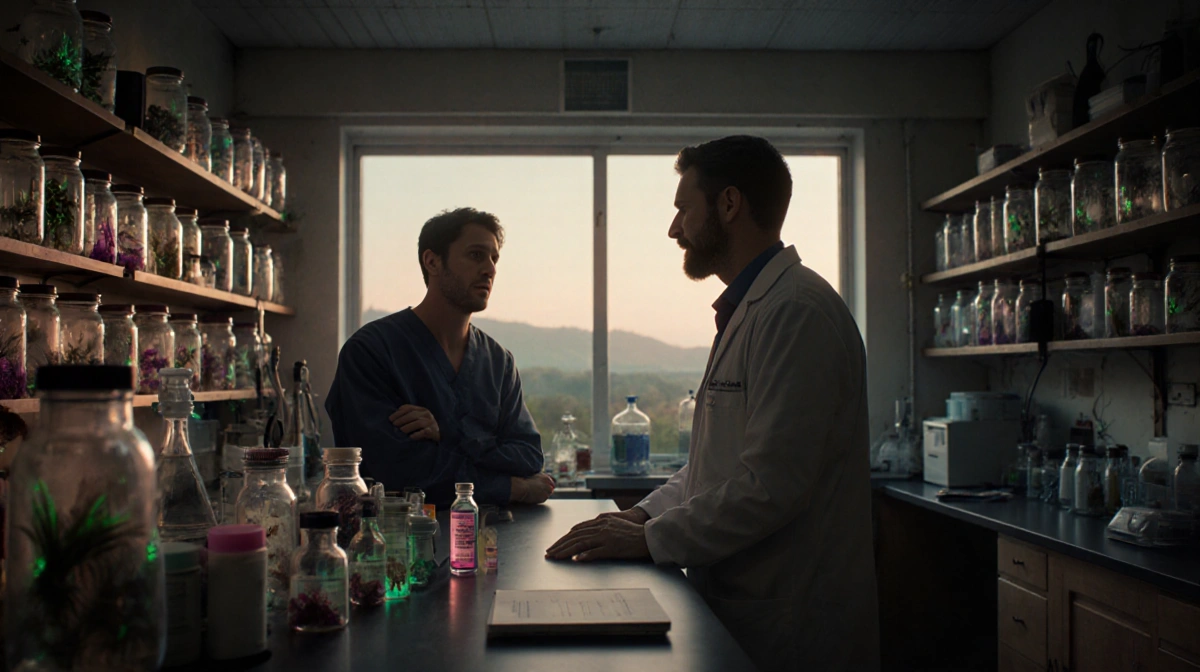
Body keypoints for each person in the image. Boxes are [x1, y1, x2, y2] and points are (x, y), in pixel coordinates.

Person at [546, 136, 880, 671]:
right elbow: (711, 468)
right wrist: (640, 516)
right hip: (741, 607)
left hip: (791, 624)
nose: (674, 228)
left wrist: (650, 537)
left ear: (728, 204)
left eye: (683, 208)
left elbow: (770, 486)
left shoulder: (796, 313)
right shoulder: (752, 308)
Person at [326, 207, 555, 509]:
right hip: (396, 544)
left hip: (496, 540)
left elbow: (528, 457)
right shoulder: (371, 352)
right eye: (476, 255)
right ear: (432, 261)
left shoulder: (499, 363)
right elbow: (402, 472)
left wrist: (449, 434)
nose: (490, 269)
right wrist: (513, 488)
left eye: (494, 258)